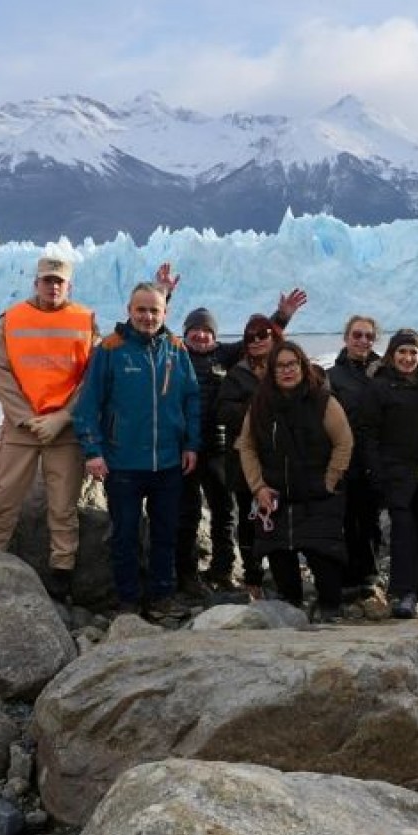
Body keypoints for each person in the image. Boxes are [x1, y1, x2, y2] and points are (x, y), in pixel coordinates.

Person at [158, 263, 306, 597]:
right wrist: (165, 292)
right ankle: (186, 573)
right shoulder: (176, 352)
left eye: (206, 331)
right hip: (184, 447)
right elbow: (155, 325)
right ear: (186, 334)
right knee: (187, 512)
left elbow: (258, 340)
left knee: (225, 511)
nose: (200, 335)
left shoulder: (226, 355)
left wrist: (281, 316)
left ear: (214, 335)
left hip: (220, 447)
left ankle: (223, 570)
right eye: (194, 330)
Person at [73, 283, 201, 618]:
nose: (147, 316)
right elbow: (88, 406)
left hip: (169, 462)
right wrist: (93, 451)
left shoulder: (176, 349)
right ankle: (127, 600)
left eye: (154, 310)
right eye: (141, 310)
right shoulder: (111, 349)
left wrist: (191, 444)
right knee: (125, 535)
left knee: (165, 534)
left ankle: (162, 595)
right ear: (129, 310)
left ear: (165, 313)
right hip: (123, 462)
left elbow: (191, 399)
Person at [0, 256, 99, 603]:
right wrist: (26, 417)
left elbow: (91, 377)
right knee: (2, 498)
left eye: (60, 281)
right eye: (47, 280)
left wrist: (63, 417)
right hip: (23, 426)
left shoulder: (85, 319)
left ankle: (61, 574)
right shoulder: (11, 319)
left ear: (69, 285)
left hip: (64, 429)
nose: (53, 286)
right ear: (36, 283)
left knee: (63, 507)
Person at [235, 341, 353, 621]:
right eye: (280, 366)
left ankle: (330, 613)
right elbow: (247, 445)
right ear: (272, 371)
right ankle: (291, 614)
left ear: (303, 366)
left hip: (318, 495)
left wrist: (330, 480)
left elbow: (344, 442)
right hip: (275, 497)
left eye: (292, 364)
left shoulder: (323, 401)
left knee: (325, 560)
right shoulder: (260, 404)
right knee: (280, 559)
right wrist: (258, 486)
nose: (287, 371)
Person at [358, 329, 418, 618]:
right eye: (402, 352)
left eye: (413, 353)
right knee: (404, 529)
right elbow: (368, 432)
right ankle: (402, 592)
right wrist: (376, 470)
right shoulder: (379, 387)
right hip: (395, 470)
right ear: (392, 355)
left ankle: (417, 592)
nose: (408, 358)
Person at [218, 313, 283, 599]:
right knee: (248, 518)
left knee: (282, 515)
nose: (256, 341)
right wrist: (258, 411)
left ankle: (283, 575)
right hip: (244, 458)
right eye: (249, 337)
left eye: (262, 335)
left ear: (273, 337)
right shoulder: (237, 374)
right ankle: (253, 576)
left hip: (282, 457)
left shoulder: (286, 368)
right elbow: (223, 411)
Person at [328, 315, 385, 593]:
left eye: (368, 336)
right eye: (357, 335)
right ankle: (347, 577)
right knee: (346, 518)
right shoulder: (333, 376)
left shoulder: (384, 371)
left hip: (374, 456)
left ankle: (370, 575)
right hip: (344, 457)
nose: (363, 341)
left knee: (371, 518)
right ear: (346, 337)